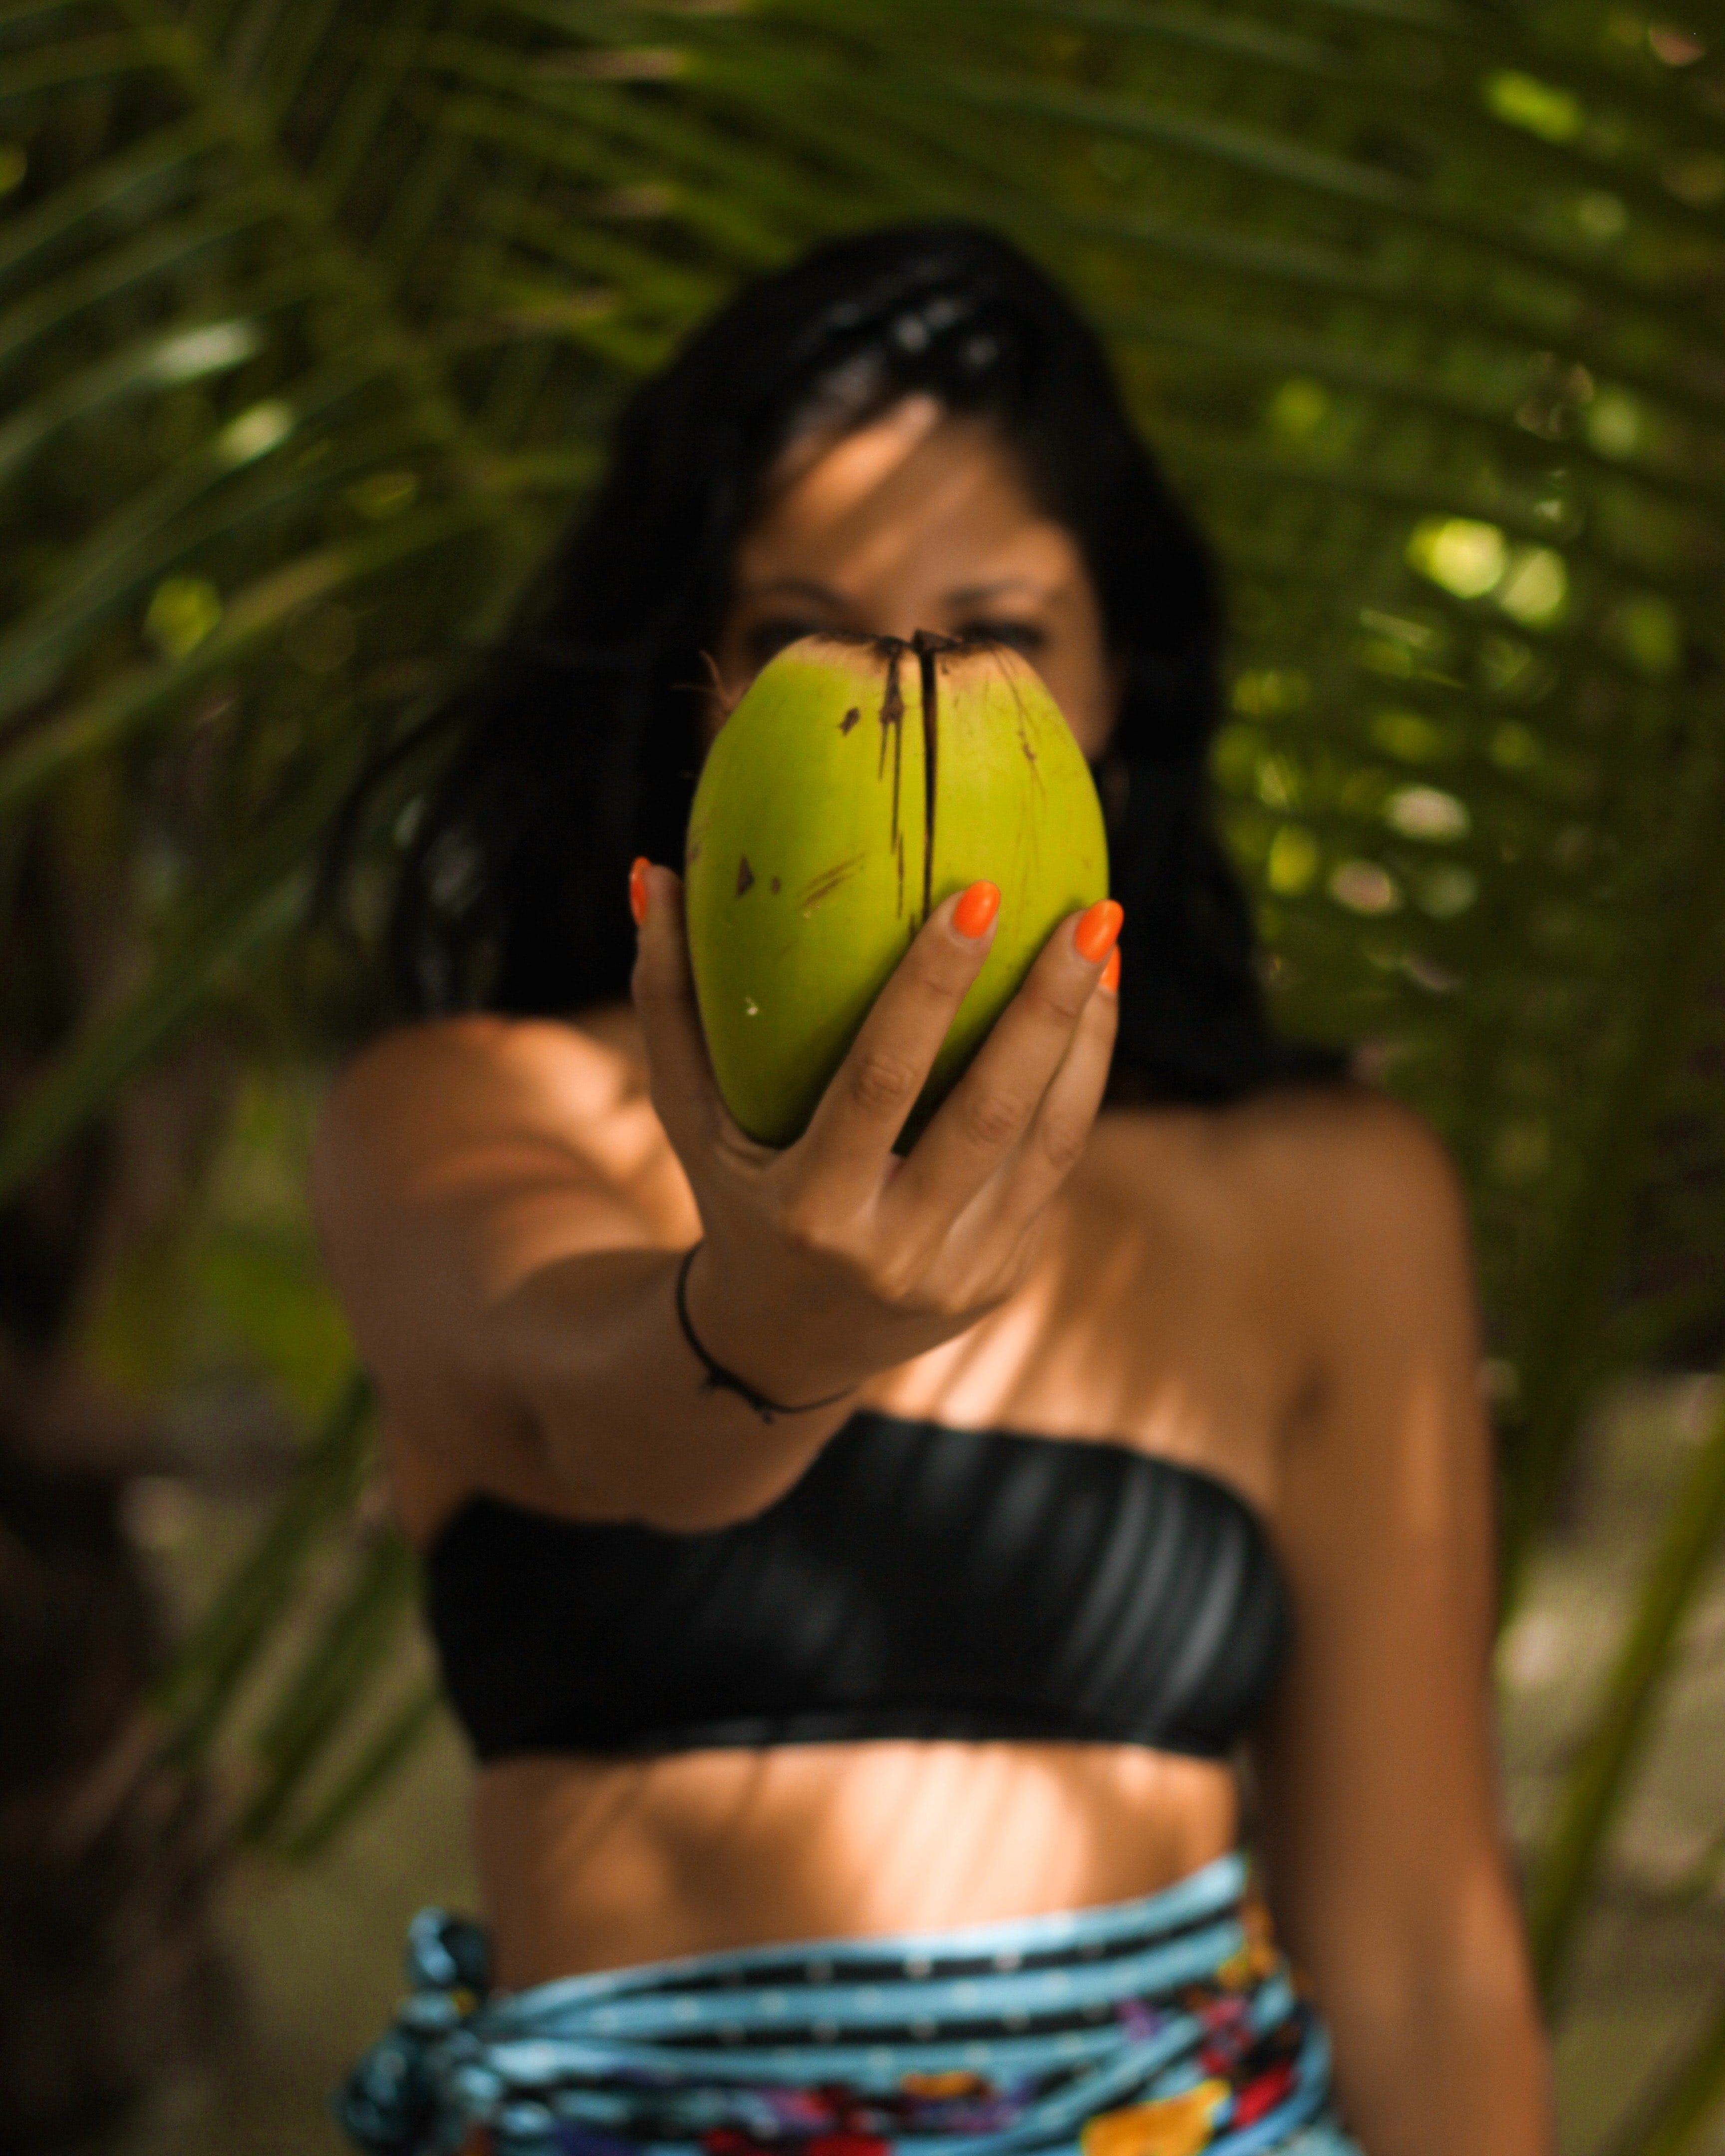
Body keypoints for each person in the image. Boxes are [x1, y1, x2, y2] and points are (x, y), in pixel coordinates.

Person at [316, 225, 1551, 2156]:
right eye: (809, 642)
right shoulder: (475, 1117)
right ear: (697, 709)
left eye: (996, 640)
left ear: (1116, 686)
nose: (898, 720)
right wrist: (767, 1337)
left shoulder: (1326, 1197)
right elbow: (593, 1402)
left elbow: (1411, 1951)